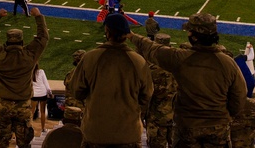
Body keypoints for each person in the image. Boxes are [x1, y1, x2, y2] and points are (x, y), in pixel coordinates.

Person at [129, 12, 246, 146]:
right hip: (218, 127)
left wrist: (131, 36)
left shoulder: (180, 58)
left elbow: (152, 49)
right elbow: (239, 96)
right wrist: (222, 115)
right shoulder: (228, 63)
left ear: (195, 37)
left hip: (187, 126)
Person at [69, 12, 152, 146]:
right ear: (126, 33)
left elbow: (76, 91)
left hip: (96, 133)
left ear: (107, 31)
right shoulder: (138, 61)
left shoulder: (90, 58)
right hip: (128, 134)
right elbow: (146, 96)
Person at [0, 7, 49, 148]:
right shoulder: (29, 56)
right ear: (21, 42)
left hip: (4, 105)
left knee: (1, 142)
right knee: (24, 143)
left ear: (7, 42)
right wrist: (38, 16)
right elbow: (43, 37)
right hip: (23, 106)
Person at [145, 33, 177, 148]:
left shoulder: (151, 70)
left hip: (157, 119)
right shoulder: (179, 67)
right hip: (176, 118)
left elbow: (146, 95)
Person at [31, 64, 55, 137]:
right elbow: (46, 83)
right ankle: (43, 128)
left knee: (31, 112)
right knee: (43, 112)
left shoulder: (29, 72)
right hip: (42, 93)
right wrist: (50, 93)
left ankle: (29, 127)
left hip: (34, 94)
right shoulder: (41, 72)